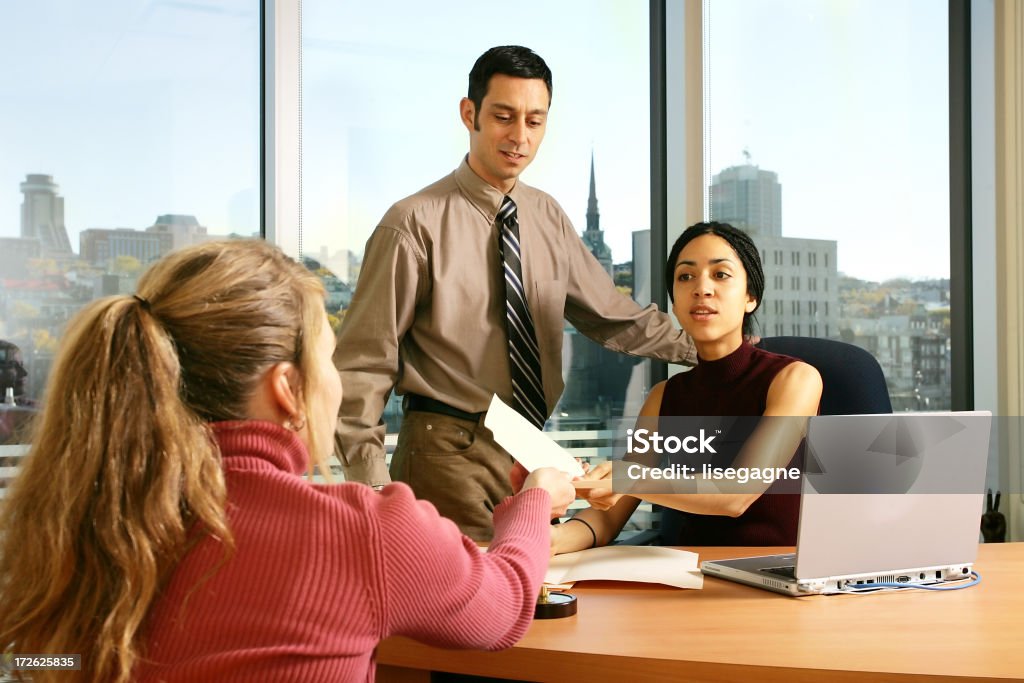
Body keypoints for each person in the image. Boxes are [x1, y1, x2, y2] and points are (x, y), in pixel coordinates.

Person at [0, 240, 576, 683]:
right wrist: (534, 504)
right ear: (288, 388)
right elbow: (505, 608)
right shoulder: (362, 531)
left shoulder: (69, 530)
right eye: (329, 359)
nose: (340, 383)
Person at [334, 45, 695, 540]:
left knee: (533, 596)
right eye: (504, 116)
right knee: (463, 609)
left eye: (535, 120)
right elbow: (361, 370)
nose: (520, 137)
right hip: (443, 454)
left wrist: (716, 351)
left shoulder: (546, 217)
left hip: (528, 451)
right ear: (470, 114)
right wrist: (376, 498)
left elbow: (614, 317)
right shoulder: (411, 224)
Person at [552, 222, 823, 554]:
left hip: (775, 581)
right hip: (689, 578)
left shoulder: (795, 379)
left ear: (751, 296)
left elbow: (739, 493)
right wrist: (544, 543)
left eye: (720, 275)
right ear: (676, 304)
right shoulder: (664, 397)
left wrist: (627, 477)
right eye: (685, 277)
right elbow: (608, 519)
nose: (702, 288)